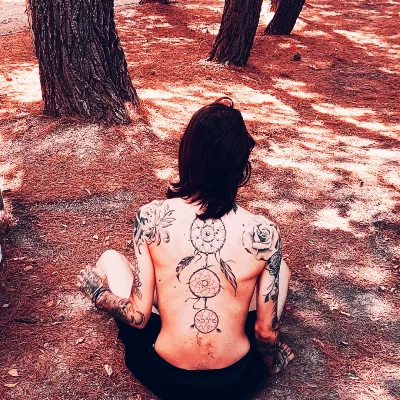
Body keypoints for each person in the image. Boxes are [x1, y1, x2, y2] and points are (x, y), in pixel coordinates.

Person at [77, 97, 294, 400]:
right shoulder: (265, 232)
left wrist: (100, 295)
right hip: (235, 382)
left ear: (187, 154)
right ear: (240, 166)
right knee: (280, 269)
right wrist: (269, 366)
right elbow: (265, 332)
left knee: (110, 259)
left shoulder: (150, 217)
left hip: (166, 378)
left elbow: (138, 317)